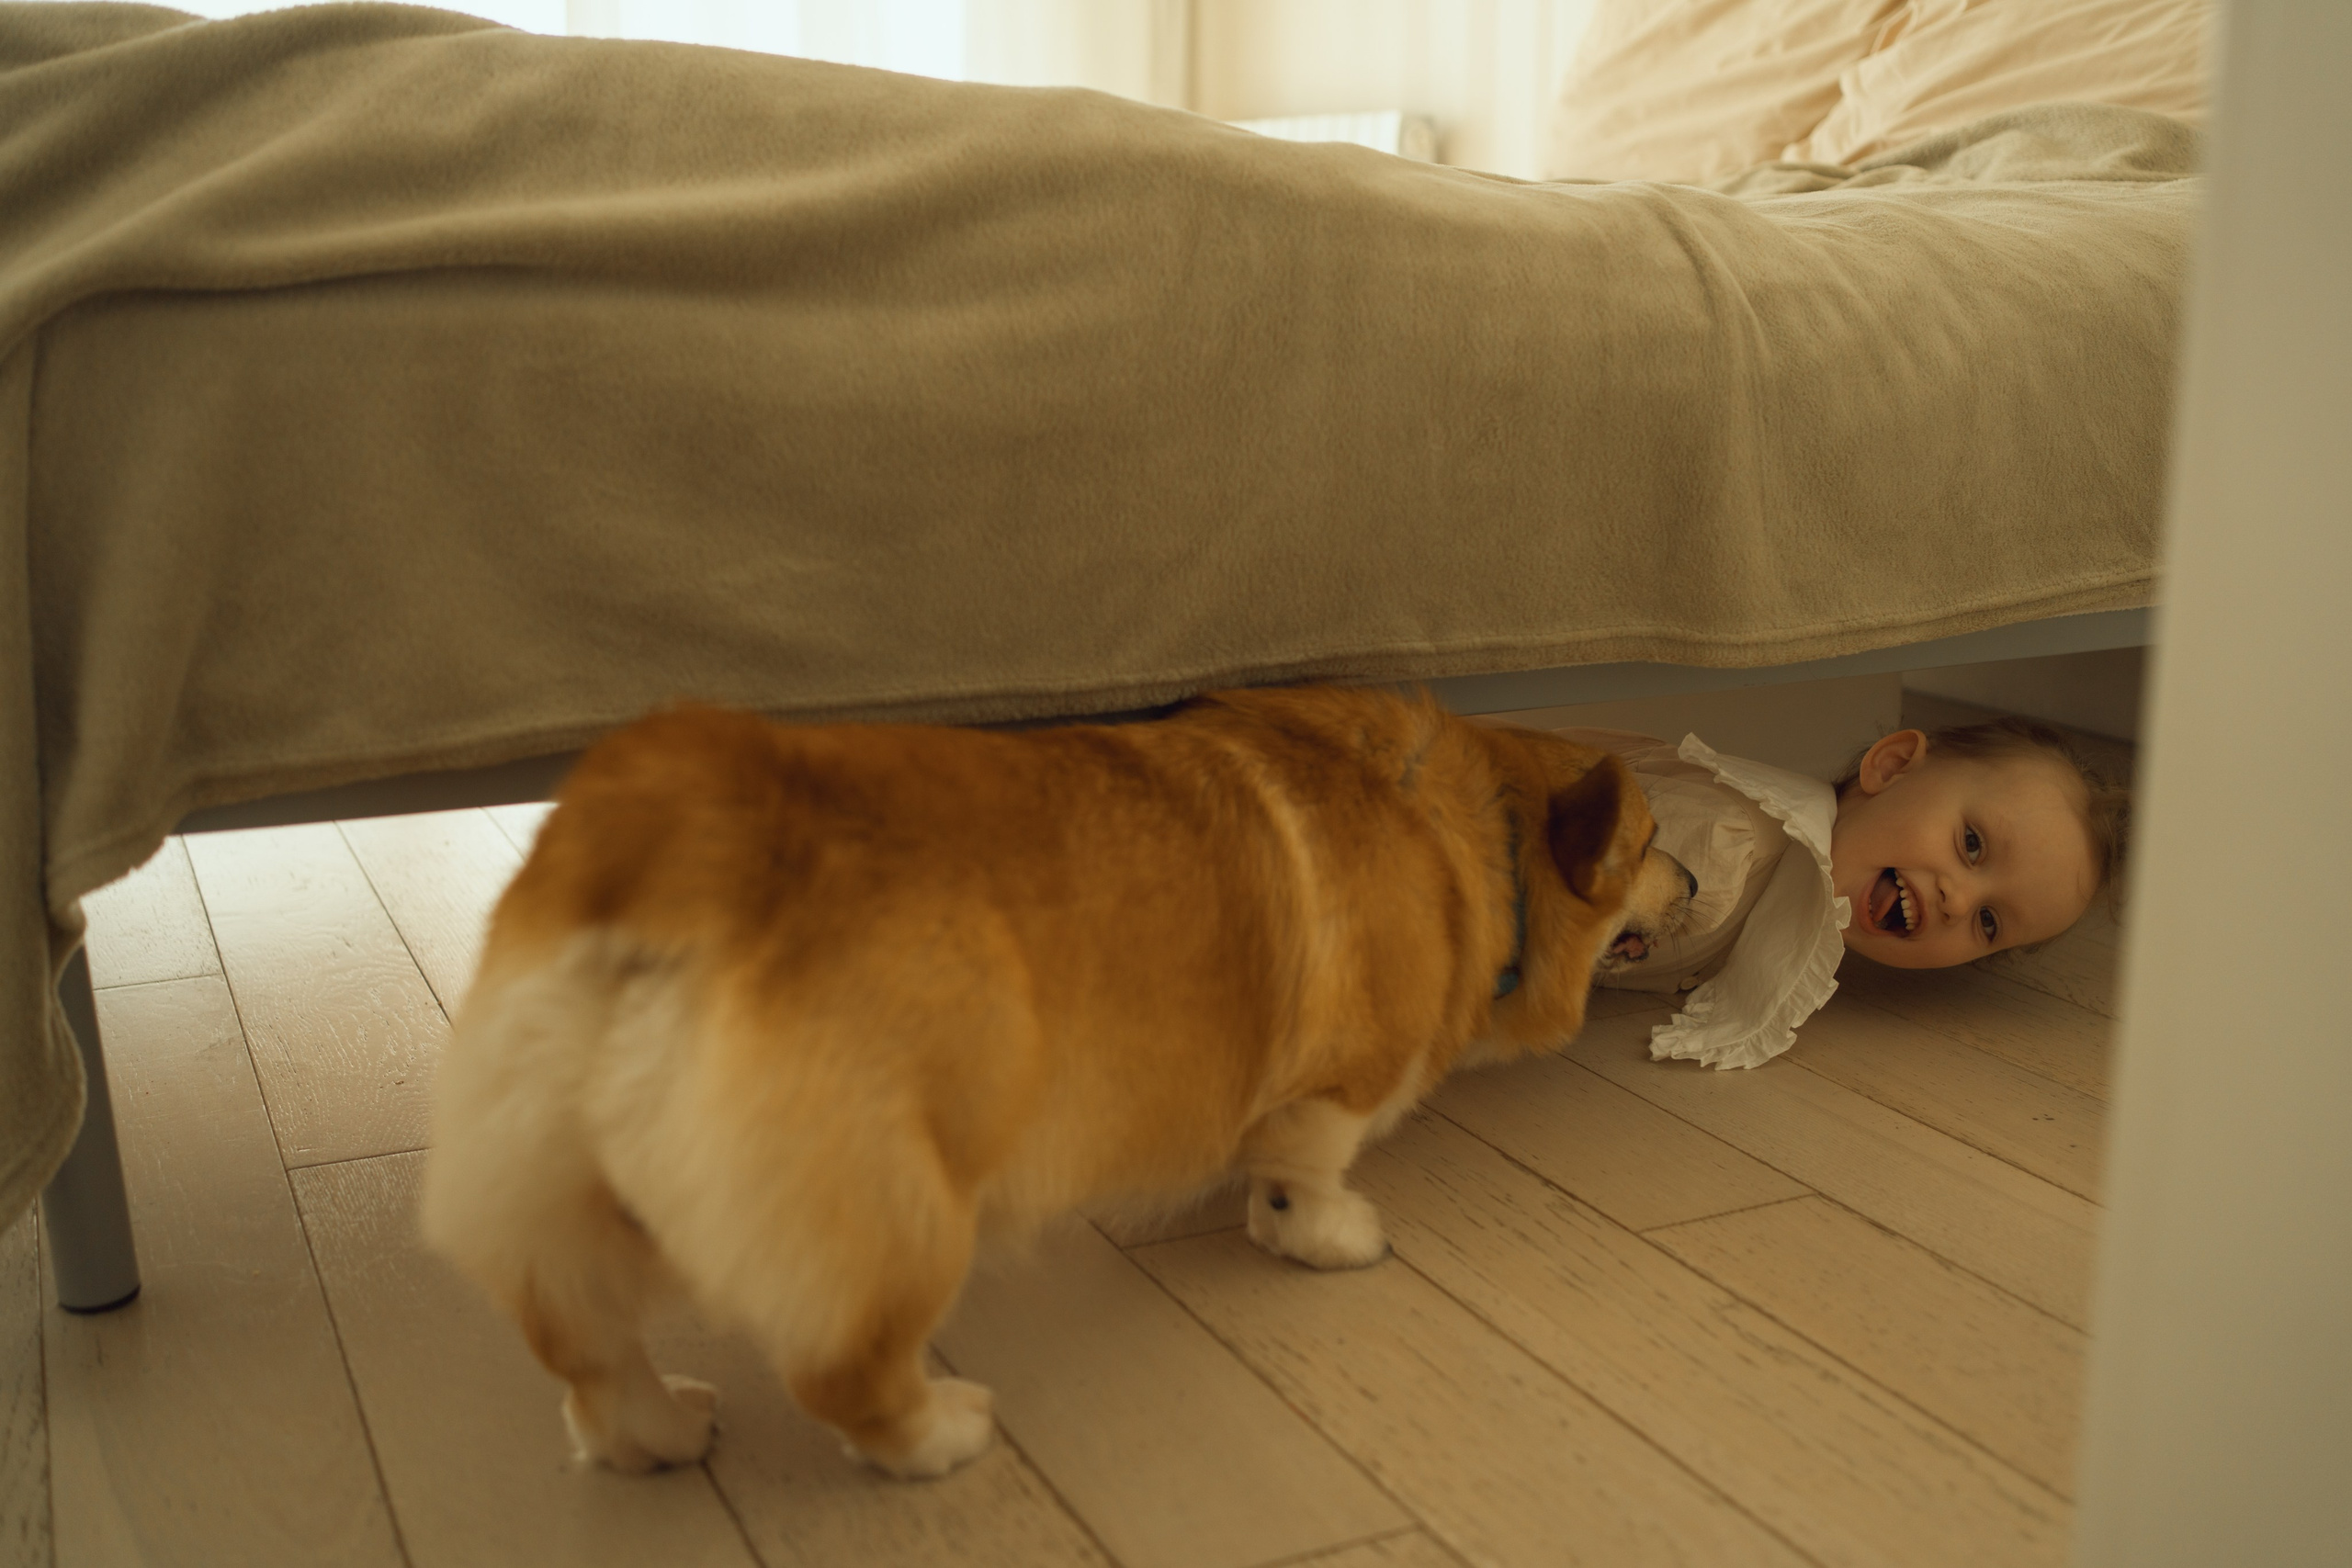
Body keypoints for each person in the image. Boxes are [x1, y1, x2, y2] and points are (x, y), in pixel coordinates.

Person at [1567, 716, 2131, 1069]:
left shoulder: (1789, 921)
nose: (1958, 902)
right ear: (1891, 767)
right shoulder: (1725, 847)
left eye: (1988, 922)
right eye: (1972, 844)